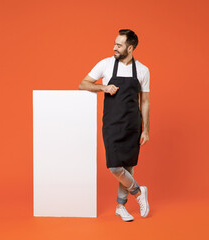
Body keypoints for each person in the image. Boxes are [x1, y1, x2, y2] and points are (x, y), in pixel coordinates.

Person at [78, 29, 150, 222]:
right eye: (115, 43)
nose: (114, 47)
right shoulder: (106, 64)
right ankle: (138, 192)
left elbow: (145, 102)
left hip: (133, 125)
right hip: (111, 124)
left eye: (119, 45)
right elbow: (83, 84)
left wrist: (146, 130)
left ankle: (120, 206)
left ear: (130, 47)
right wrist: (103, 87)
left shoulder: (142, 70)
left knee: (128, 166)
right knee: (115, 168)